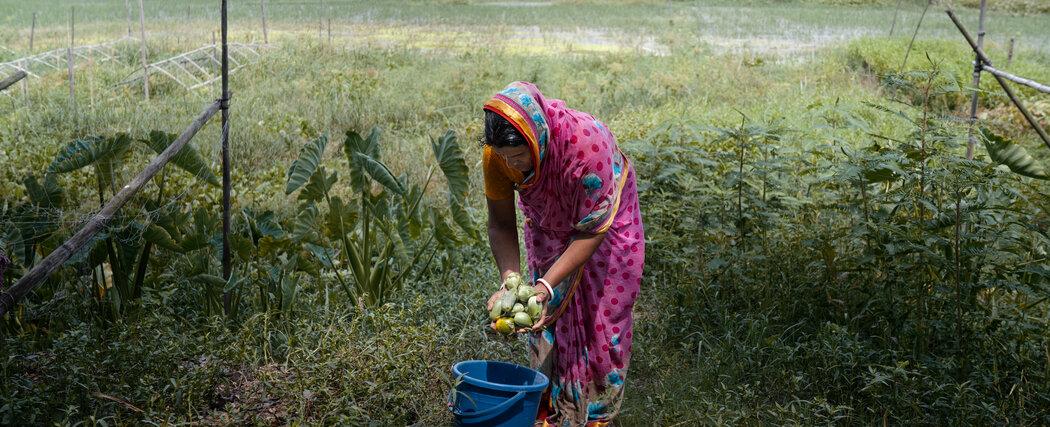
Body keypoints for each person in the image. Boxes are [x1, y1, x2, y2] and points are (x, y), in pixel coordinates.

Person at [481, 81, 645, 426]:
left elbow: (593, 229)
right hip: (550, 228)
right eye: (505, 158)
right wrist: (512, 281)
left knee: (602, 324)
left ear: (538, 136)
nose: (514, 165)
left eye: (520, 156)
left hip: (606, 226)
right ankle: (552, 415)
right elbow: (500, 224)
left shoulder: (586, 146)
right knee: (548, 324)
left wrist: (544, 286)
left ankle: (596, 417)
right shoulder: (496, 157)